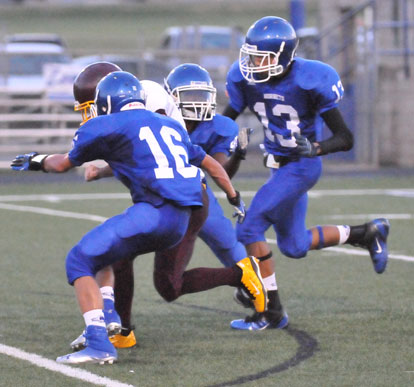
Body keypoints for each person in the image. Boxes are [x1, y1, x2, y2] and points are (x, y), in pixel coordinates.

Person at [11, 71, 267, 364]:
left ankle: (99, 342)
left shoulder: (104, 124)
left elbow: (60, 165)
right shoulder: (170, 125)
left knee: (79, 259)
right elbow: (211, 165)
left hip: (154, 213)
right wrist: (234, 197)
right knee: (111, 257)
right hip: (182, 217)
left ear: (107, 102)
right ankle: (112, 323)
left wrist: (36, 160)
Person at [222, 16, 390, 331]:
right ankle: (367, 233)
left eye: (261, 57)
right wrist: (229, 138)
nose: (253, 63)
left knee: (248, 230)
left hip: (302, 167)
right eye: (251, 55)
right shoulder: (245, 80)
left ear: (283, 57)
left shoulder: (310, 78)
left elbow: (345, 138)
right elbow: (226, 121)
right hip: (278, 168)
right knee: (294, 246)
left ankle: (270, 311)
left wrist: (316, 148)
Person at [70, 61, 189, 350]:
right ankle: (113, 324)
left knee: (169, 285)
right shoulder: (131, 110)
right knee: (112, 255)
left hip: (178, 195)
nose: (91, 113)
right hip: (164, 195)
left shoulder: (149, 99)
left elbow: (153, 150)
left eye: (94, 104)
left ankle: (243, 276)